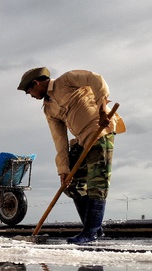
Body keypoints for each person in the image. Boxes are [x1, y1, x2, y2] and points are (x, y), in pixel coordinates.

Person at [17, 67, 125, 244]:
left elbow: (96, 79)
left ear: (36, 83)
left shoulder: (66, 80)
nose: (31, 96)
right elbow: (59, 139)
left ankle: (90, 231)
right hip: (81, 141)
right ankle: (95, 229)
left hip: (99, 131)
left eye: (30, 92)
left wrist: (103, 109)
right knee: (72, 184)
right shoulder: (48, 109)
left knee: (97, 182)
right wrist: (63, 169)